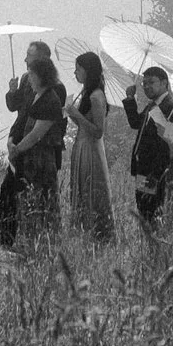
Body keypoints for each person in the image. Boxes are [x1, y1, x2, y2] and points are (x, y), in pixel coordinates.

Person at [0, 41, 67, 248]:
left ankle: (38, 242)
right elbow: (18, 111)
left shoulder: (55, 92)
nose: (25, 60)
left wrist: (20, 147)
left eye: (30, 56)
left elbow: (43, 130)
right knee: (11, 190)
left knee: (39, 197)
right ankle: (6, 237)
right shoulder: (29, 83)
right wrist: (12, 140)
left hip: (40, 154)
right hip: (22, 146)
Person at [122, 64, 173, 236]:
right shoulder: (151, 106)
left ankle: (156, 247)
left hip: (157, 169)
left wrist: (166, 130)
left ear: (165, 83)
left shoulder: (172, 106)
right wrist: (130, 98)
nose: (146, 86)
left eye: (151, 82)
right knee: (143, 207)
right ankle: (150, 247)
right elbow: (136, 123)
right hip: (143, 166)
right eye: (144, 83)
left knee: (153, 210)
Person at [66, 51, 116, 243]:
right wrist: (72, 113)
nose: (75, 73)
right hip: (81, 146)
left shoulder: (96, 96)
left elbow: (98, 131)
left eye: (78, 69)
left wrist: (76, 115)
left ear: (88, 71)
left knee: (92, 189)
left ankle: (99, 235)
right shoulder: (87, 93)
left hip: (91, 150)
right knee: (80, 189)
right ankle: (84, 233)